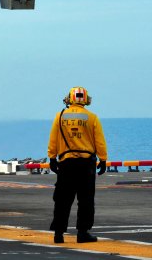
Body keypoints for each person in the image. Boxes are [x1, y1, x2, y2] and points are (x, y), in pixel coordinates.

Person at [47, 86, 108, 244]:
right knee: (86, 199)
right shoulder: (92, 117)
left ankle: (58, 234)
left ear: (69, 99)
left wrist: (52, 158)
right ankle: (82, 233)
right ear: (86, 99)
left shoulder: (59, 116)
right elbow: (99, 141)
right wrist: (103, 159)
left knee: (62, 199)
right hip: (86, 164)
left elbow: (53, 138)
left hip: (66, 163)